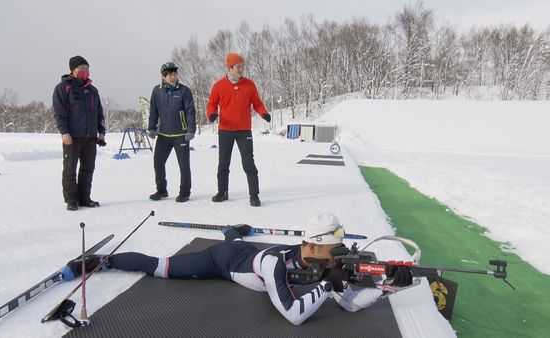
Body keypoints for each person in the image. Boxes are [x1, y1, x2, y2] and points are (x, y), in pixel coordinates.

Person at [63, 213, 413, 325]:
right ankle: (101, 262)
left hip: (245, 249)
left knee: (236, 240)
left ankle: (235, 231)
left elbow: (350, 302)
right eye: (331, 249)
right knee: (160, 267)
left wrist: (385, 286)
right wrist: (326, 283)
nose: (336, 255)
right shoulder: (276, 262)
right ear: (311, 245)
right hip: (221, 262)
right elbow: (293, 314)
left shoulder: (325, 261)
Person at [206, 53, 271, 207]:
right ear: (230, 68)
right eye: (238, 66)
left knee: (248, 162)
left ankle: (254, 195)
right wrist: (212, 114)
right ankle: (222, 192)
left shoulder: (249, 85)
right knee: (223, 163)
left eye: (243, 66)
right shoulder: (218, 85)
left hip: (244, 131)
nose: (242, 69)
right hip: (225, 130)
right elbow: (211, 104)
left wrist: (263, 113)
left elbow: (257, 102)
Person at [53, 55, 106, 211]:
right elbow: (59, 113)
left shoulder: (93, 90)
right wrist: (64, 132)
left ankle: (85, 198)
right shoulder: (63, 88)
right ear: (73, 71)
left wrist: (101, 132)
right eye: (81, 68)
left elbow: (99, 113)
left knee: (88, 168)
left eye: (87, 68)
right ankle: (71, 200)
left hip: (90, 137)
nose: (85, 71)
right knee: (70, 169)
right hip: (72, 137)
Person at [147, 62, 197, 202]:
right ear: (164, 77)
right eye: (170, 74)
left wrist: (191, 129)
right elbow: (153, 111)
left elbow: (190, 111)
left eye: (175, 74)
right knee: (158, 162)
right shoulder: (157, 91)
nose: (173, 76)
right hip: (163, 135)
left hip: (181, 135)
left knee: (184, 165)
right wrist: (151, 127)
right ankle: (161, 190)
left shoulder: (184, 91)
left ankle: (185, 192)